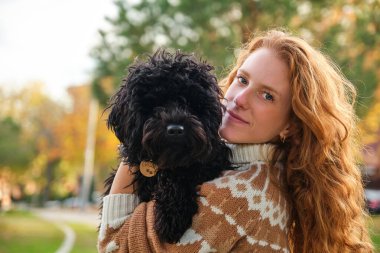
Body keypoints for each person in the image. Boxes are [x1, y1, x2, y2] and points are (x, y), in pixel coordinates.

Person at [98, 29, 374, 253]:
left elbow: (114, 246)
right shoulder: (249, 170)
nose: (239, 100)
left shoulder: (243, 196)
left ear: (291, 125)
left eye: (267, 96)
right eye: (242, 80)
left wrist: (136, 157)